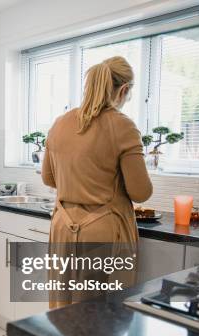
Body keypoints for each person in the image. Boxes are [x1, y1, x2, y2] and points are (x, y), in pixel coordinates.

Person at [41, 56, 153, 308]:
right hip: (101, 230)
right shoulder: (123, 126)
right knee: (97, 316)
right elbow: (141, 191)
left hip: (62, 225)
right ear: (124, 90)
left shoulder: (60, 123)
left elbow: (49, 178)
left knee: (62, 308)